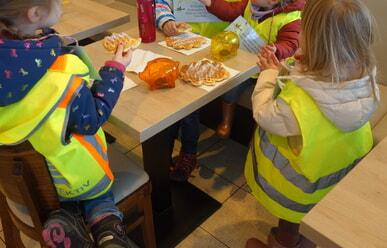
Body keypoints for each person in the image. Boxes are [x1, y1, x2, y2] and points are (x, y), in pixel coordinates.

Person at [244, 0, 379, 247]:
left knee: (292, 221)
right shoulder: (362, 74)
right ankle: (307, 242)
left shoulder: (302, 98)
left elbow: (265, 114)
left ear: (314, 40)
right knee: (314, 216)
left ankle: (284, 243)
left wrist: (269, 74)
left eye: (303, 28)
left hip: (303, 182)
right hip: (339, 172)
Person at [0, 0, 134, 247]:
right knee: (99, 196)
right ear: (35, 13)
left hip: (23, 185)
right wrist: (115, 70)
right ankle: (107, 228)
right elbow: (93, 119)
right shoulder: (63, 71)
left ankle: (64, 216)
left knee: (61, 198)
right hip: (71, 174)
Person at [155, 0, 241, 181]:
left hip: (215, 50)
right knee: (168, 100)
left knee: (189, 110)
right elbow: (160, 3)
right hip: (180, 42)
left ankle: (188, 153)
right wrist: (166, 20)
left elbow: (238, 11)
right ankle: (164, 150)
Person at [198, 0, 305, 138]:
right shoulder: (251, 5)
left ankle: (257, 133)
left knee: (265, 98)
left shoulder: (291, 18)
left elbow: (291, 43)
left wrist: (277, 49)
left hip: (269, 69)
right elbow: (230, 10)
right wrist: (210, 3)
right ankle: (226, 120)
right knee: (231, 88)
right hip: (245, 65)